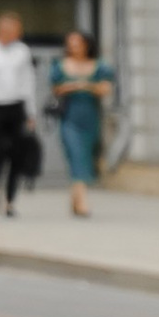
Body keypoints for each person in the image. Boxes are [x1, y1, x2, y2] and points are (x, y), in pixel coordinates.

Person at [0, 6, 42, 212]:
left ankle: (10, 199)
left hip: (17, 105)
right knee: (0, 150)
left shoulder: (22, 51)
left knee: (17, 153)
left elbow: (28, 82)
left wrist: (31, 113)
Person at [49, 25, 117, 217]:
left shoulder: (99, 66)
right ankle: (83, 202)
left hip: (90, 116)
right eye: (71, 44)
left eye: (78, 44)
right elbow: (56, 88)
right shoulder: (60, 65)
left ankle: (75, 198)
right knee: (75, 153)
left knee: (85, 156)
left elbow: (105, 89)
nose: (74, 47)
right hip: (69, 116)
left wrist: (82, 85)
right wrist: (78, 86)